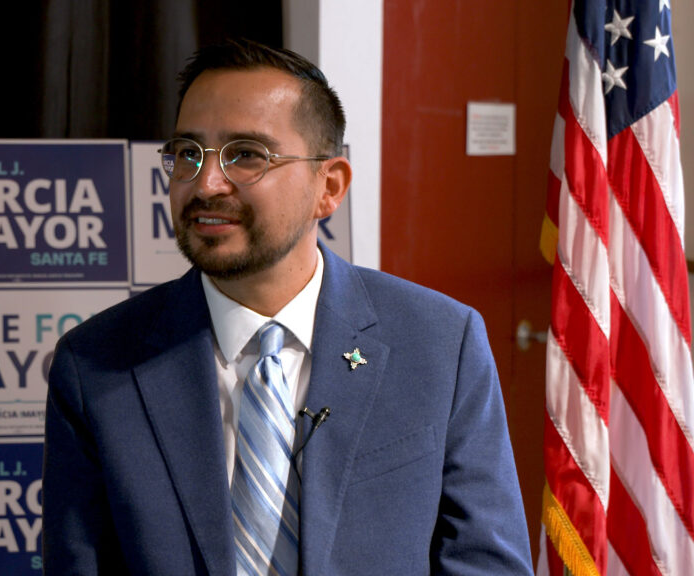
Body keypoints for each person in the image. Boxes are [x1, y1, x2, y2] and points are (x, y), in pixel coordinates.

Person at [42, 38, 533, 575]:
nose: (206, 183)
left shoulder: (440, 343)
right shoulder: (96, 365)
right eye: (187, 153)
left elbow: (486, 565)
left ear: (330, 186)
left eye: (246, 155)